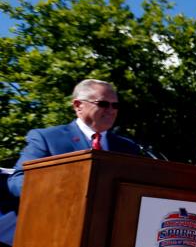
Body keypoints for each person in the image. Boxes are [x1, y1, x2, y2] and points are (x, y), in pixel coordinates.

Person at [8, 79, 141, 198]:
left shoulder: (128, 148)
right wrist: (64, 189)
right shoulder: (47, 139)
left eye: (115, 105)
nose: (111, 110)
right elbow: (18, 182)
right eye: (103, 104)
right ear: (78, 106)